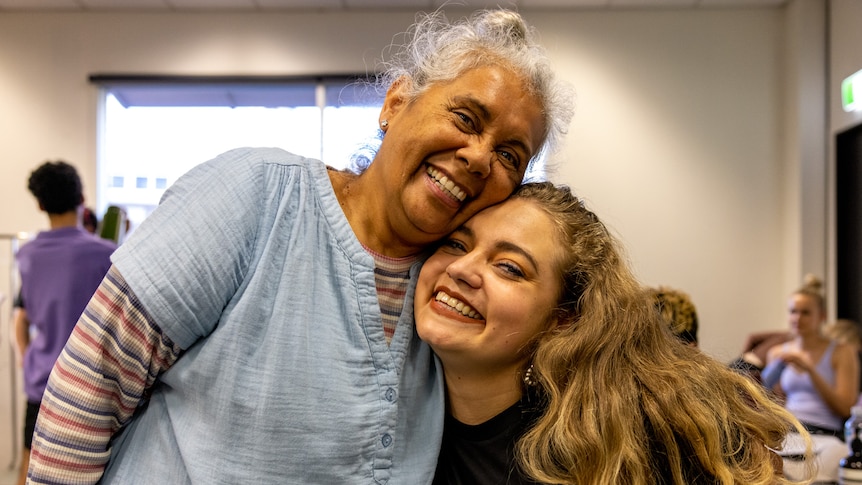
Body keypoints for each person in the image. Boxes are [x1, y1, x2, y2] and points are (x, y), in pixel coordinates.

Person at [27, 9, 573, 484]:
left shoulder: (451, 294)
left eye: (510, 155)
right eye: (465, 117)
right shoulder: (255, 195)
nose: (479, 157)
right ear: (396, 101)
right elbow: (88, 388)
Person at [415, 182, 809, 485]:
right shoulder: (394, 419)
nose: (462, 268)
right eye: (455, 243)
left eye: (509, 268)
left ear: (563, 318)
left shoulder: (607, 443)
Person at [13, 161, 117, 485]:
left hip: (41, 383)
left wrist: (27, 356)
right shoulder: (108, 255)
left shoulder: (27, 255)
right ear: (81, 199)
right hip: (92, 388)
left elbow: (22, 318)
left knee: (32, 466)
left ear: (41, 204)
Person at [761, 275, 860, 441]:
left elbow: (845, 409)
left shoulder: (842, 352)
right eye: (793, 312)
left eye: (805, 313)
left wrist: (810, 371)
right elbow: (773, 403)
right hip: (790, 429)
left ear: (822, 316)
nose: (797, 319)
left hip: (827, 432)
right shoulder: (777, 353)